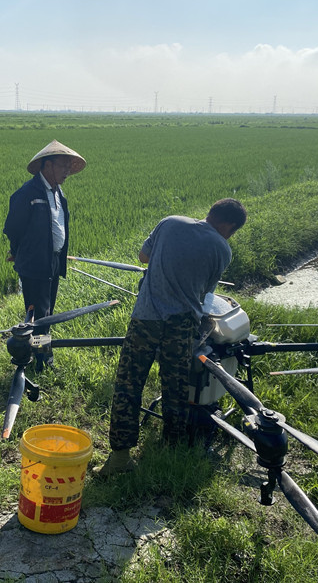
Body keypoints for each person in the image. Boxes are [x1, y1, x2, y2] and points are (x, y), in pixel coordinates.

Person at [96, 198, 248, 477]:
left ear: (211, 212)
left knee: (128, 384)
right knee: (175, 388)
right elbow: (205, 293)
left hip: (146, 318)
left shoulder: (170, 222)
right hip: (182, 324)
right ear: (229, 226)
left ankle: (119, 458)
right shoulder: (222, 249)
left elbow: (143, 257)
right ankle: (172, 448)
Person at [3, 140, 86, 371]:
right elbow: (13, 228)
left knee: (47, 311)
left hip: (53, 260)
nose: (67, 171)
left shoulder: (58, 192)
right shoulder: (27, 193)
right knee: (40, 315)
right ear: (47, 165)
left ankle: (38, 351)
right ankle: (41, 359)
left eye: (69, 166)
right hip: (34, 263)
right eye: (63, 165)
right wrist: (18, 252)